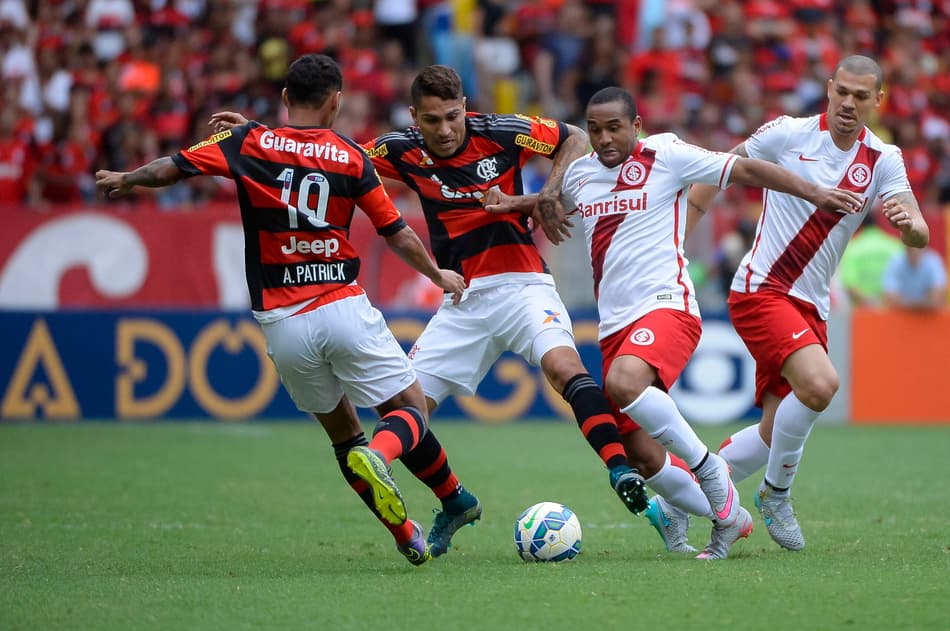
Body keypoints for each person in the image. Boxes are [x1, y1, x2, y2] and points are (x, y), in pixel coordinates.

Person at [210, 64, 653, 556]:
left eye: (452, 116)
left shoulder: (502, 131)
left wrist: (547, 193)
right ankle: (449, 498)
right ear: (413, 117)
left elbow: (571, 137)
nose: (444, 130)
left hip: (525, 284)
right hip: (461, 299)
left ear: (465, 107)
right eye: (432, 120)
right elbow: (327, 157)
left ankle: (620, 469)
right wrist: (262, 138)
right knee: (406, 411)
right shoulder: (397, 149)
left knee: (564, 367)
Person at [95, 53, 478, 566]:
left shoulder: (245, 142)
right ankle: (391, 461)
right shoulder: (350, 156)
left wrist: (128, 179)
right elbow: (397, 233)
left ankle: (408, 530)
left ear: (284, 99)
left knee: (343, 436)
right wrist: (436, 274)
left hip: (282, 324)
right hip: (340, 303)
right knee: (409, 407)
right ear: (337, 101)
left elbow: (173, 167)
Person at [485, 86, 863, 559]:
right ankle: (730, 519)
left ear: (636, 126)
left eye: (614, 127)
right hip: (614, 326)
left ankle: (712, 474)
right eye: (595, 128)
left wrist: (815, 192)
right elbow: (554, 204)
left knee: (624, 382)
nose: (603, 138)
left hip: (668, 306)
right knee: (640, 455)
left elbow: (743, 168)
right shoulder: (580, 176)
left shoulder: (666, 154)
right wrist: (514, 203)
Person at [686, 55, 929, 551]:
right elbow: (722, 170)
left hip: (809, 305)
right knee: (821, 385)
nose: (848, 103)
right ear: (828, 88)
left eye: (861, 96)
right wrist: (679, 234)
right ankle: (775, 496)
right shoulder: (786, 133)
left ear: (877, 101)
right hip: (761, 291)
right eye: (842, 91)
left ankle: (685, 496)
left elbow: (920, 232)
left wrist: (911, 227)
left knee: (776, 431)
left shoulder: (884, 159)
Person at [838, 212, 903, 307]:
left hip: (862, 314)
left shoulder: (853, 248)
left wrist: (871, 303)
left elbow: (849, 285)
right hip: (893, 311)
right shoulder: (895, 245)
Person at [882, 244, 947, 311]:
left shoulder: (933, 261)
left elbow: (937, 298)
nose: (914, 250)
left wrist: (906, 304)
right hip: (902, 317)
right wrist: (923, 304)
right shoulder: (895, 261)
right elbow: (890, 298)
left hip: (928, 318)